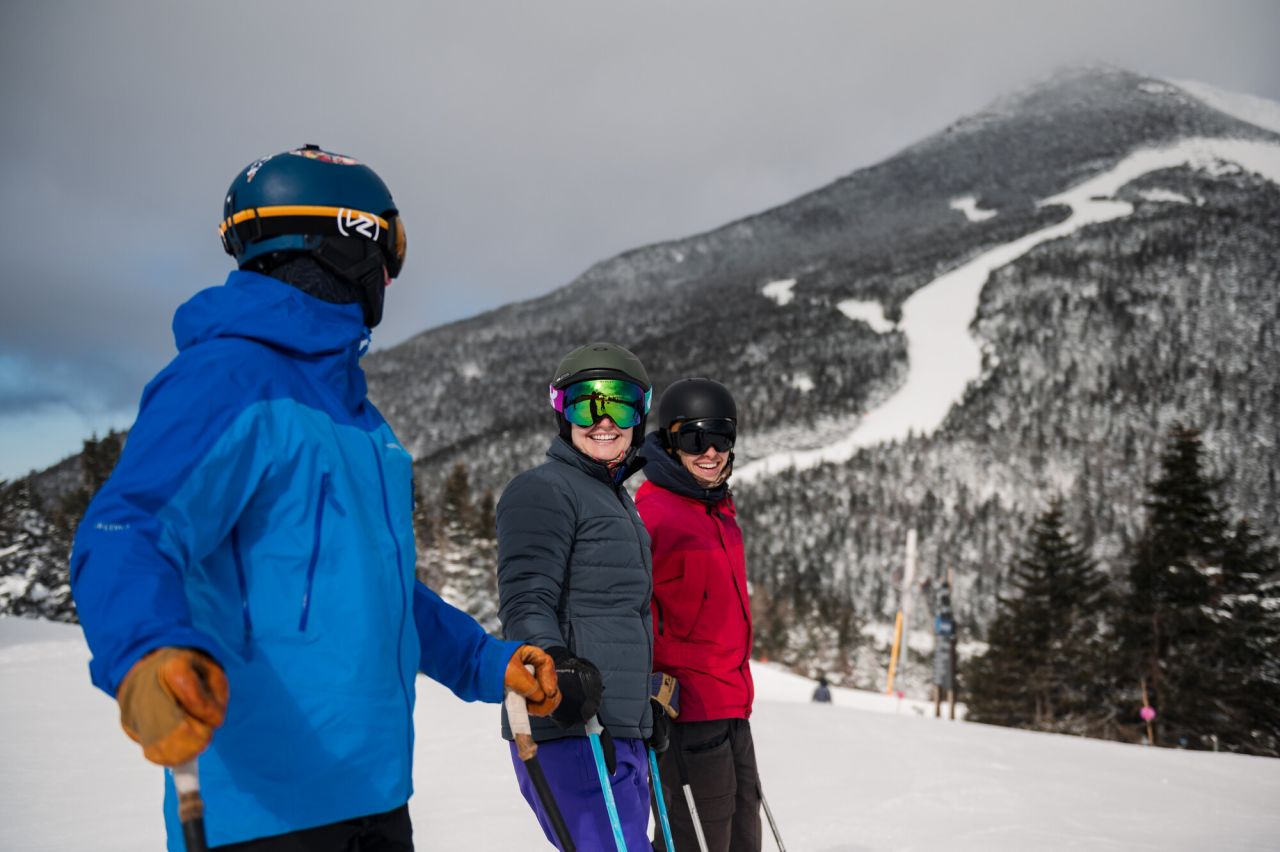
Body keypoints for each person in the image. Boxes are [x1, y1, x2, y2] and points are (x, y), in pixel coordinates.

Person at [69, 145, 561, 851]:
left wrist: (484, 660)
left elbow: (378, 588)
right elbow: (127, 529)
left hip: (377, 796)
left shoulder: (360, 419)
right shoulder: (228, 377)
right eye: (390, 250)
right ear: (350, 240)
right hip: (262, 813)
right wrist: (147, 651)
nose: (390, 274)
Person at [496, 342, 656, 850]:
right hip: (570, 721)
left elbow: (623, 616)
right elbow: (524, 599)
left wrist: (640, 713)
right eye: (588, 403)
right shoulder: (543, 489)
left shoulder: (615, 500)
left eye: (622, 402)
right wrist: (557, 665)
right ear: (563, 413)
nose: (604, 419)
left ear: (641, 414)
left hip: (616, 725)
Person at [636, 377, 762, 852]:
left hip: (733, 708)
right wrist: (643, 689)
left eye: (721, 437)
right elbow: (629, 612)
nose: (710, 452)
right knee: (693, 842)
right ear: (670, 442)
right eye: (694, 439)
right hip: (686, 716)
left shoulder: (718, 512)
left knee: (742, 840)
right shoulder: (652, 517)